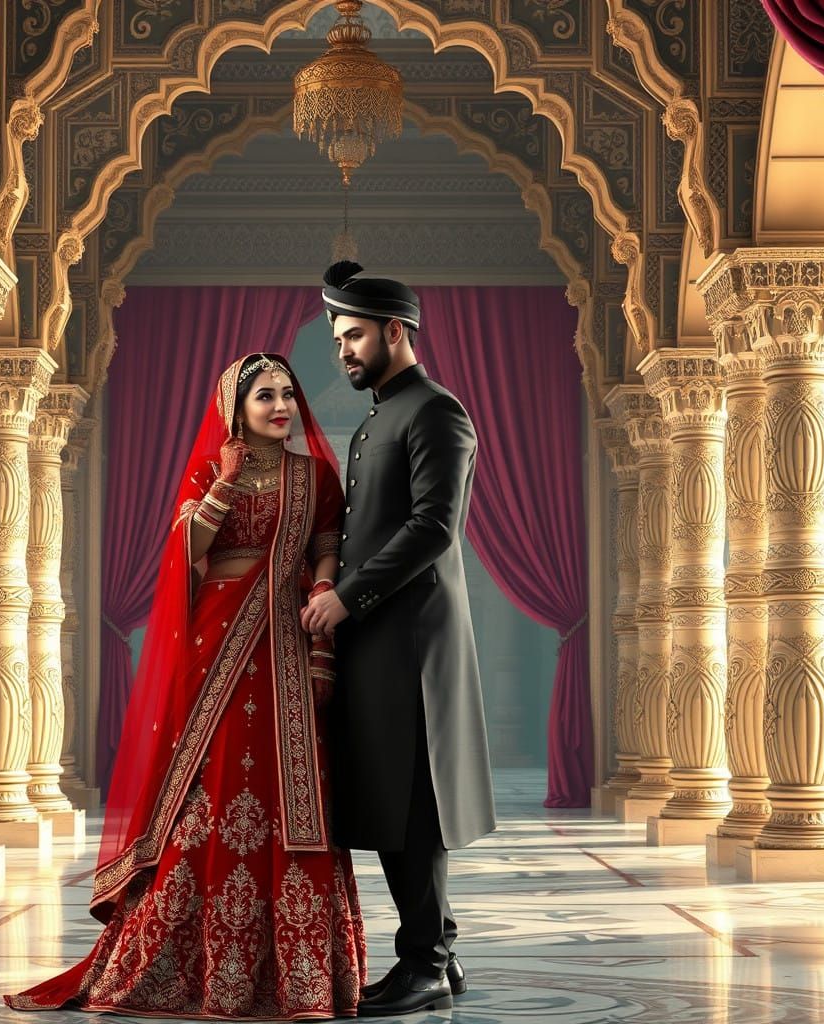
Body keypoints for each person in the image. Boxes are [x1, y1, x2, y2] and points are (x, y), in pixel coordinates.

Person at [5, 353, 366, 1018]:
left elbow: (324, 542)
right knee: (213, 783)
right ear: (236, 408)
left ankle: (306, 976)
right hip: (217, 641)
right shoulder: (210, 470)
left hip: (287, 639)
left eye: (287, 393)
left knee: (297, 790)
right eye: (265, 396)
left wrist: (321, 589)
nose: (282, 405)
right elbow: (187, 551)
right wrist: (225, 485)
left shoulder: (313, 473)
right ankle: (186, 960)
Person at [302, 262, 496, 1017]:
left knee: (413, 806)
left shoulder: (435, 412)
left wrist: (346, 599)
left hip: (412, 644)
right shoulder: (388, 411)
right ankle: (435, 960)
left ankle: (426, 963)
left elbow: (432, 529)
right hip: (380, 639)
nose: (343, 351)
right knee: (390, 797)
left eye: (354, 335)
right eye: (337, 338)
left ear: (395, 331)